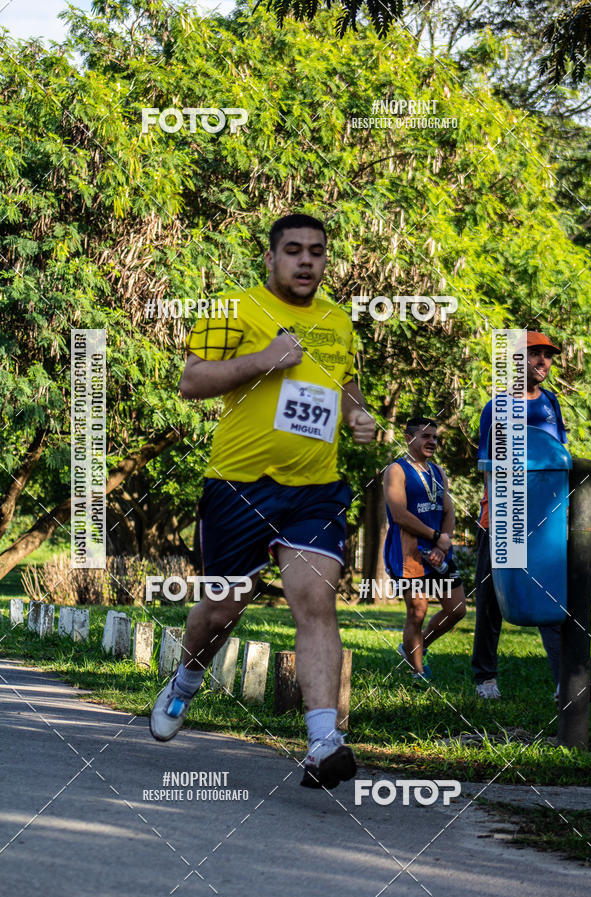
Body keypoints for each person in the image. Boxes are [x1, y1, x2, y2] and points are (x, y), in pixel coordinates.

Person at [150, 213, 375, 790]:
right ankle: (185, 680)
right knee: (223, 609)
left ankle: (324, 743)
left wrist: (355, 413)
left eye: (317, 252)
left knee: (314, 602)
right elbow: (192, 381)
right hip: (238, 485)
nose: (307, 261)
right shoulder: (234, 308)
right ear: (270, 259)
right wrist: (267, 358)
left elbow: (344, 380)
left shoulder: (338, 320)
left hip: (315, 489)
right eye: (294, 251)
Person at [472, 331, 568, 699]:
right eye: (535, 354)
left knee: (554, 594)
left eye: (548, 355)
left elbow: (559, 456)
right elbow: (487, 465)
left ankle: (565, 682)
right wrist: (497, 513)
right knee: (490, 598)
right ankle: (485, 678)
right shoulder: (496, 407)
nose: (543, 361)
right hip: (502, 517)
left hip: (546, 521)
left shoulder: (551, 404)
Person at [383, 417, 466, 685]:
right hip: (409, 553)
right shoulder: (396, 471)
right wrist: (434, 537)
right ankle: (419, 674)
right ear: (408, 438)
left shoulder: (439, 472)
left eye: (435, 437)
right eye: (425, 436)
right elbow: (399, 515)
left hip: (439, 550)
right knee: (417, 612)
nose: (432, 441)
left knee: (457, 609)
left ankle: (415, 648)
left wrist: (444, 541)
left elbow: (448, 510)